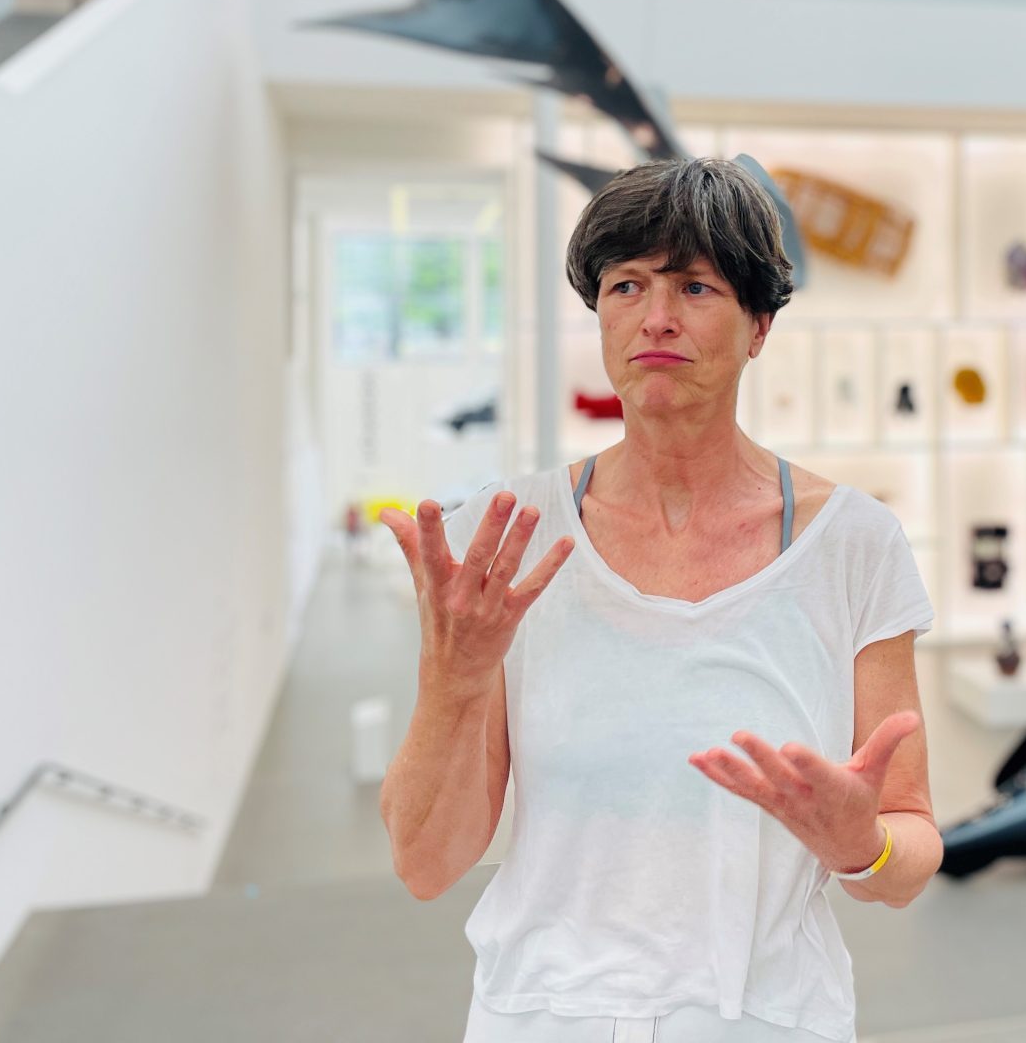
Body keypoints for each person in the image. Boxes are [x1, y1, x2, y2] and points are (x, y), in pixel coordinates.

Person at [379, 156, 939, 1043]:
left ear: (759, 325)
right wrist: (455, 675)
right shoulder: (508, 538)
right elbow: (425, 861)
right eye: (626, 285)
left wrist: (859, 843)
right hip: (542, 1015)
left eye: (696, 287)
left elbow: (907, 852)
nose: (657, 318)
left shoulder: (854, 546)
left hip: (763, 1019)